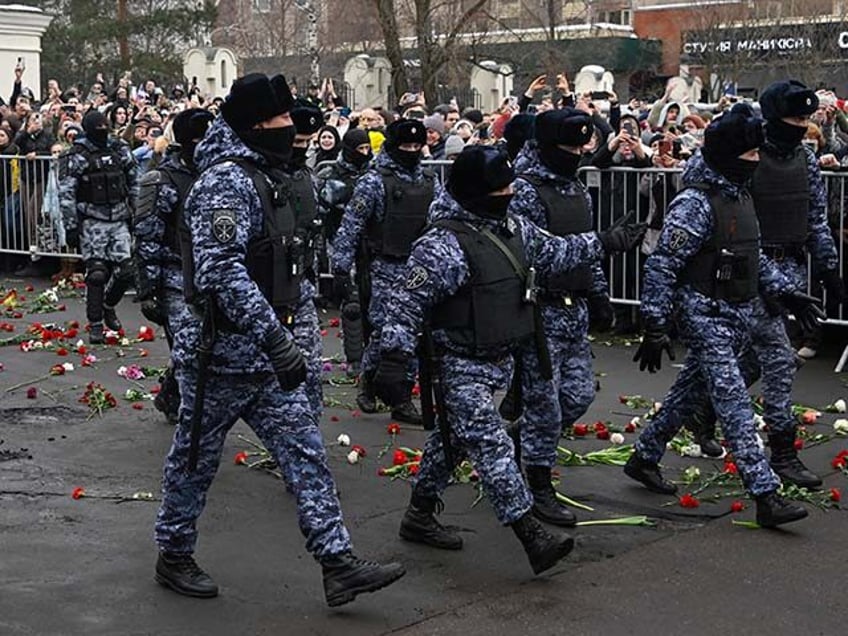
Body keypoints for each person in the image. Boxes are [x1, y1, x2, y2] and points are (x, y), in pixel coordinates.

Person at [153, 73, 405, 606]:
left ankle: (337, 563)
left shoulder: (270, 174)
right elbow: (222, 271)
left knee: (306, 454)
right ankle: (173, 554)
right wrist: (275, 339)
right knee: (194, 461)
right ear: (252, 126)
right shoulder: (227, 181)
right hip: (222, 356)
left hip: (270, 361)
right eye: (280, 120)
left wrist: (284, 339)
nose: (291, 129)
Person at [372, 145, 645, 574]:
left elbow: (556, 252)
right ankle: (529, 533)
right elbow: (405, 305)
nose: (512, 191)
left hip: (503, 354)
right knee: (492, 444)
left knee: (454, 441)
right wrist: (392, 358)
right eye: (502, 187)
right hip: (458, 364)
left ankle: (419, 514)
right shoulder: (442, 245)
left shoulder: (514, 227)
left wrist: (605, 242)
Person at [624, 104, 824, 528]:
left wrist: (789, 295)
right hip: (704, 313)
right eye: (749, 156)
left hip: (736, 309)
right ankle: (765, 493)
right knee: (732, 399)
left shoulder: (739, 195)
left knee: (688, 394)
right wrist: (654, 323)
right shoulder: (695, 204)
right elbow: (662, 265)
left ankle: (643, 456)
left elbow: (751, 257)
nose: (755, 162)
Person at [685, 81, 842, 487]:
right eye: (794, 118)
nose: (801, 126)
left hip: (786, 265)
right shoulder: (744, 153)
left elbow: (815, 216)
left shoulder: (805, 159)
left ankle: (700, 411)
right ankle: (781, 452)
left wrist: (829, 270)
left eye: (806, 119)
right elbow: (705, 189)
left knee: (754, 357)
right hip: (745, 266)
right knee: (775, 356)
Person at [507, 108, 616, 527]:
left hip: (574, 307)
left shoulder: (576, 191)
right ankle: (537, 486)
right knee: (545, 404)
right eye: (568, 147)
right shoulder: (525, 190)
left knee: (579, 394)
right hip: (539, 311)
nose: (576, 154)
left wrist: (600, 294)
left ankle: (520, 440)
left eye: (581, 146)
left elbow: (588, 247)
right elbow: (536, 251)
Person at [332, 119, 438, 425]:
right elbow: (351, 224)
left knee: (411, 333)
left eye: (417, 147)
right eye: (406, 147)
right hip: (385, 265)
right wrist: (341, 267)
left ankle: (396, 394)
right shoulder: (375, 181)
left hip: (420, 266)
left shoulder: (429, 180)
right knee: (386, 331)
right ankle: (378, 385)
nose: (412, 151)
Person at [133, 108, 214, 424]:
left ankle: (171, 393)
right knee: (190, 346)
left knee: (205, 342)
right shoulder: (162, 179)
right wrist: (148, 288)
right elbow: (147, 236)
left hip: (208, 272)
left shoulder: (217, 173)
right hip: (174, 275)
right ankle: (190, 413)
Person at [59, 110, 137, 343]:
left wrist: (137, 214)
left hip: (120, 217)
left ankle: (108, 305)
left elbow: (134, 181)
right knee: (96, 273)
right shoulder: (76, 154)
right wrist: (71, 226)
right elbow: (66, 193)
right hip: (92, 218)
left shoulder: (119, 148)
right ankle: (95, 324)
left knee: (127, 270)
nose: (102, 131)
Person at [316, 128, 373, 377]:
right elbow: (321, 207)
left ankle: (373, 357)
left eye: (367, 149)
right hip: (341, 241)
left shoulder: (374, 173)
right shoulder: (332, 173)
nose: (364, 153)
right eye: (359, 149)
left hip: (372, 245)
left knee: (374, 301)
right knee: (351, 303)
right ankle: (355, 359)